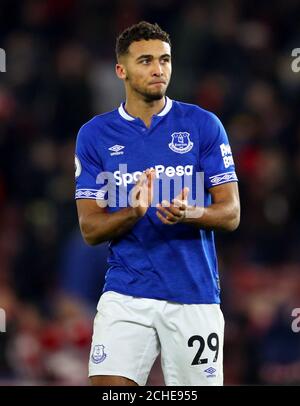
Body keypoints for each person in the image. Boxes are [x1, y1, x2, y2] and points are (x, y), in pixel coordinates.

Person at [75, 21, 240, 386]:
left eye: (164, 60)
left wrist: (191, 212)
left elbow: (231, 213)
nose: (158, 69)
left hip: (193, 294)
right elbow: (89, 229)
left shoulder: (203, 125)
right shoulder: (94, 135)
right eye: (146, 61)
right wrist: (133, 212)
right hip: (126, 292)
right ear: (122, 70)